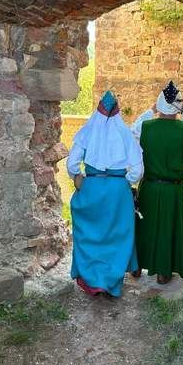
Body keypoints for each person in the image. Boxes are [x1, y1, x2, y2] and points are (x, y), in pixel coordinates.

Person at [66, 91, 144, 297]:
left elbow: (72, 163)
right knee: (116, 236)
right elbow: (137, 170)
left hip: (92, 186)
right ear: (117, 111)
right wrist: (124, 182)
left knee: (90, 233)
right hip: (118, 191)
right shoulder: (126, 134)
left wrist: (77, 177)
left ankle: (93, 279)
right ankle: (110, 280)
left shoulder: (87, 132)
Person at [131, 81, 183, 284]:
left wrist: (150, 111)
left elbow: (133, 129)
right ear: (177, 107)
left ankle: (136, 266)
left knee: (145, 226)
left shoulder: (144, 127)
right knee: (167, 229)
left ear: (159, 105)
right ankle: (163, 272)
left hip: (150, 186)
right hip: (173, 190)